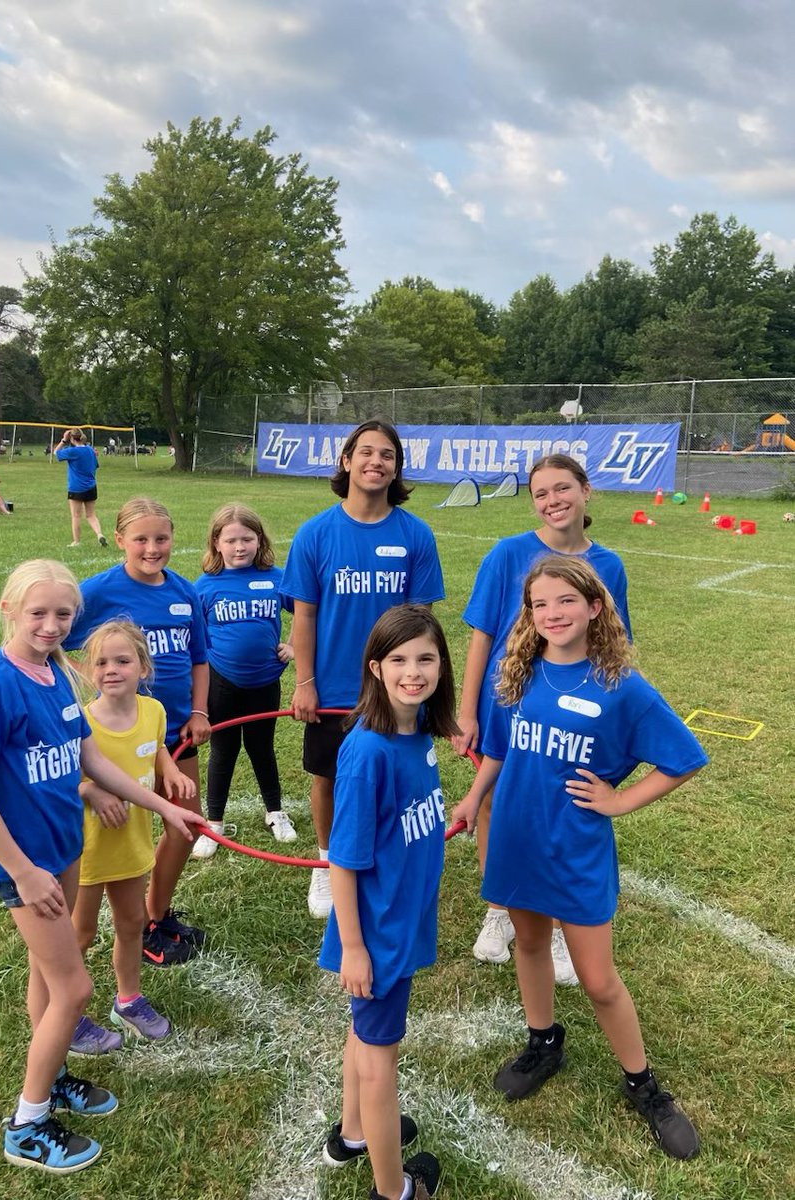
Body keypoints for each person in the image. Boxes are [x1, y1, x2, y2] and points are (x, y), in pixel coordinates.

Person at [452, 556, 707, 1161]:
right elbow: (497, 748)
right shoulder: (517, 674)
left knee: (598, 979)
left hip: (576, 848)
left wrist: (619, 801)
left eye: (565, 601)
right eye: (540, 605)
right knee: (531, 945)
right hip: (516, 836)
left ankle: (644, 1086)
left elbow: (685, 758)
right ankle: (544, 1041)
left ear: (595, 606)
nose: (552, 615)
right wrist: (472, 797)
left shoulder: (622, 687)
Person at [0, 560, 202, 1173]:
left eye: (63, 614)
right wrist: (22, 871)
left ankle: (55, 1072)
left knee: (47, 978)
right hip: (26, 863)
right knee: (74, 986)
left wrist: (163, 807)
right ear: (8, 610)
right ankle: (27, 1126)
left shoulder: (59, 674)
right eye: (38, 612)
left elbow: (92, 760)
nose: (51, 624)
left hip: (64, 848)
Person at [453, 453, 632, 985]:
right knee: (493, 802)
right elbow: (482, 634)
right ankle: (499, 912)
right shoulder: (508, 553)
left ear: (585, 491)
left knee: (559, 806)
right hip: (505, 704)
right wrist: (466, 711)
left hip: (572, 711)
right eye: (541, 494)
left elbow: (614, 643)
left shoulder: (611, 566)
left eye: (562, 489)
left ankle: (554, 924)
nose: (553, 501)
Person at [319, 605, 458, 1200]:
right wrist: (354, 947)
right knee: (381, 1063)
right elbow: (344, 863)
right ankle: (393, 1189)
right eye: (398, 660)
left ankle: (353, 1134)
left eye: (426, 658)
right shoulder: (369, 752)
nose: (414, 671)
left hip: (400, 918)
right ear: (375, 668)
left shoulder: (419, 726)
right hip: (378, 934)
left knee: (366, 1038)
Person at [282, 420, 445, 919]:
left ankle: (385, 855)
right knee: (329, 777)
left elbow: (422, 621)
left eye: (388, 455)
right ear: (347, 461)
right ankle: (328, 863)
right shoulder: (316, 533)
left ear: (396, 468)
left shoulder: (414, 533)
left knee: (395, 775)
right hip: (332, 687)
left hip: (395, 688)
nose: (377, 462)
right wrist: (304, 682)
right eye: (367, 452)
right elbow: (304, 616)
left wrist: (415, 683)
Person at [64, 497, 211, 966]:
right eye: (141, 539)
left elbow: (199, 659)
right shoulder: (98, 593)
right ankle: (101, 922)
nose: (152, 548)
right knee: (120, 828)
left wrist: (200, 711)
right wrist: (93, 680)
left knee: (184, 824)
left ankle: (156, 916)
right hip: (115, 736)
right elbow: (56, 645)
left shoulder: (185, 593)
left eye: (161, 538)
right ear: (121, 538)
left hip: (172, 731)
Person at [70, 621, 197, 1054]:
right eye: (101, 662)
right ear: (89, 671)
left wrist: (172, 770)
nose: (111, 669)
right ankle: (65, 1013)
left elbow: (156, 748)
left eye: (123, 660)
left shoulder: (154, 711)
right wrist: (92, 790)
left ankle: (128, 1000)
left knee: (131, 925)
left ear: (143, 667)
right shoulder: (81, 720)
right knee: (79, 933)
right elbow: (67, 779)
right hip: (87, 850)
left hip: (132, 843)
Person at [191, 503, 296, 858]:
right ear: (216, 543)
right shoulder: (205, 586)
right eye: (231, 540)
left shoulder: (277, 578)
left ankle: (275, 812)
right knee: (224, 751)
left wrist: (293, 644)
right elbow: (195, 636)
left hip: (266, 681)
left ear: (259, 540)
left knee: (262, 747)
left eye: (247, 539)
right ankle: (214, 823)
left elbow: (310, 611)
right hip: (223, 682)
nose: (240, 547)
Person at [55, 428, 107, 548]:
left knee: (76, 516)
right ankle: (99, 534)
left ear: (72, 438)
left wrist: (63, 440)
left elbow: (56, 453)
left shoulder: (72, 451)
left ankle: (77, 541)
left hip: (76, 488)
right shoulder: (90, 450)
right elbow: (95, 466)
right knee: (91, 515)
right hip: (91, 486)